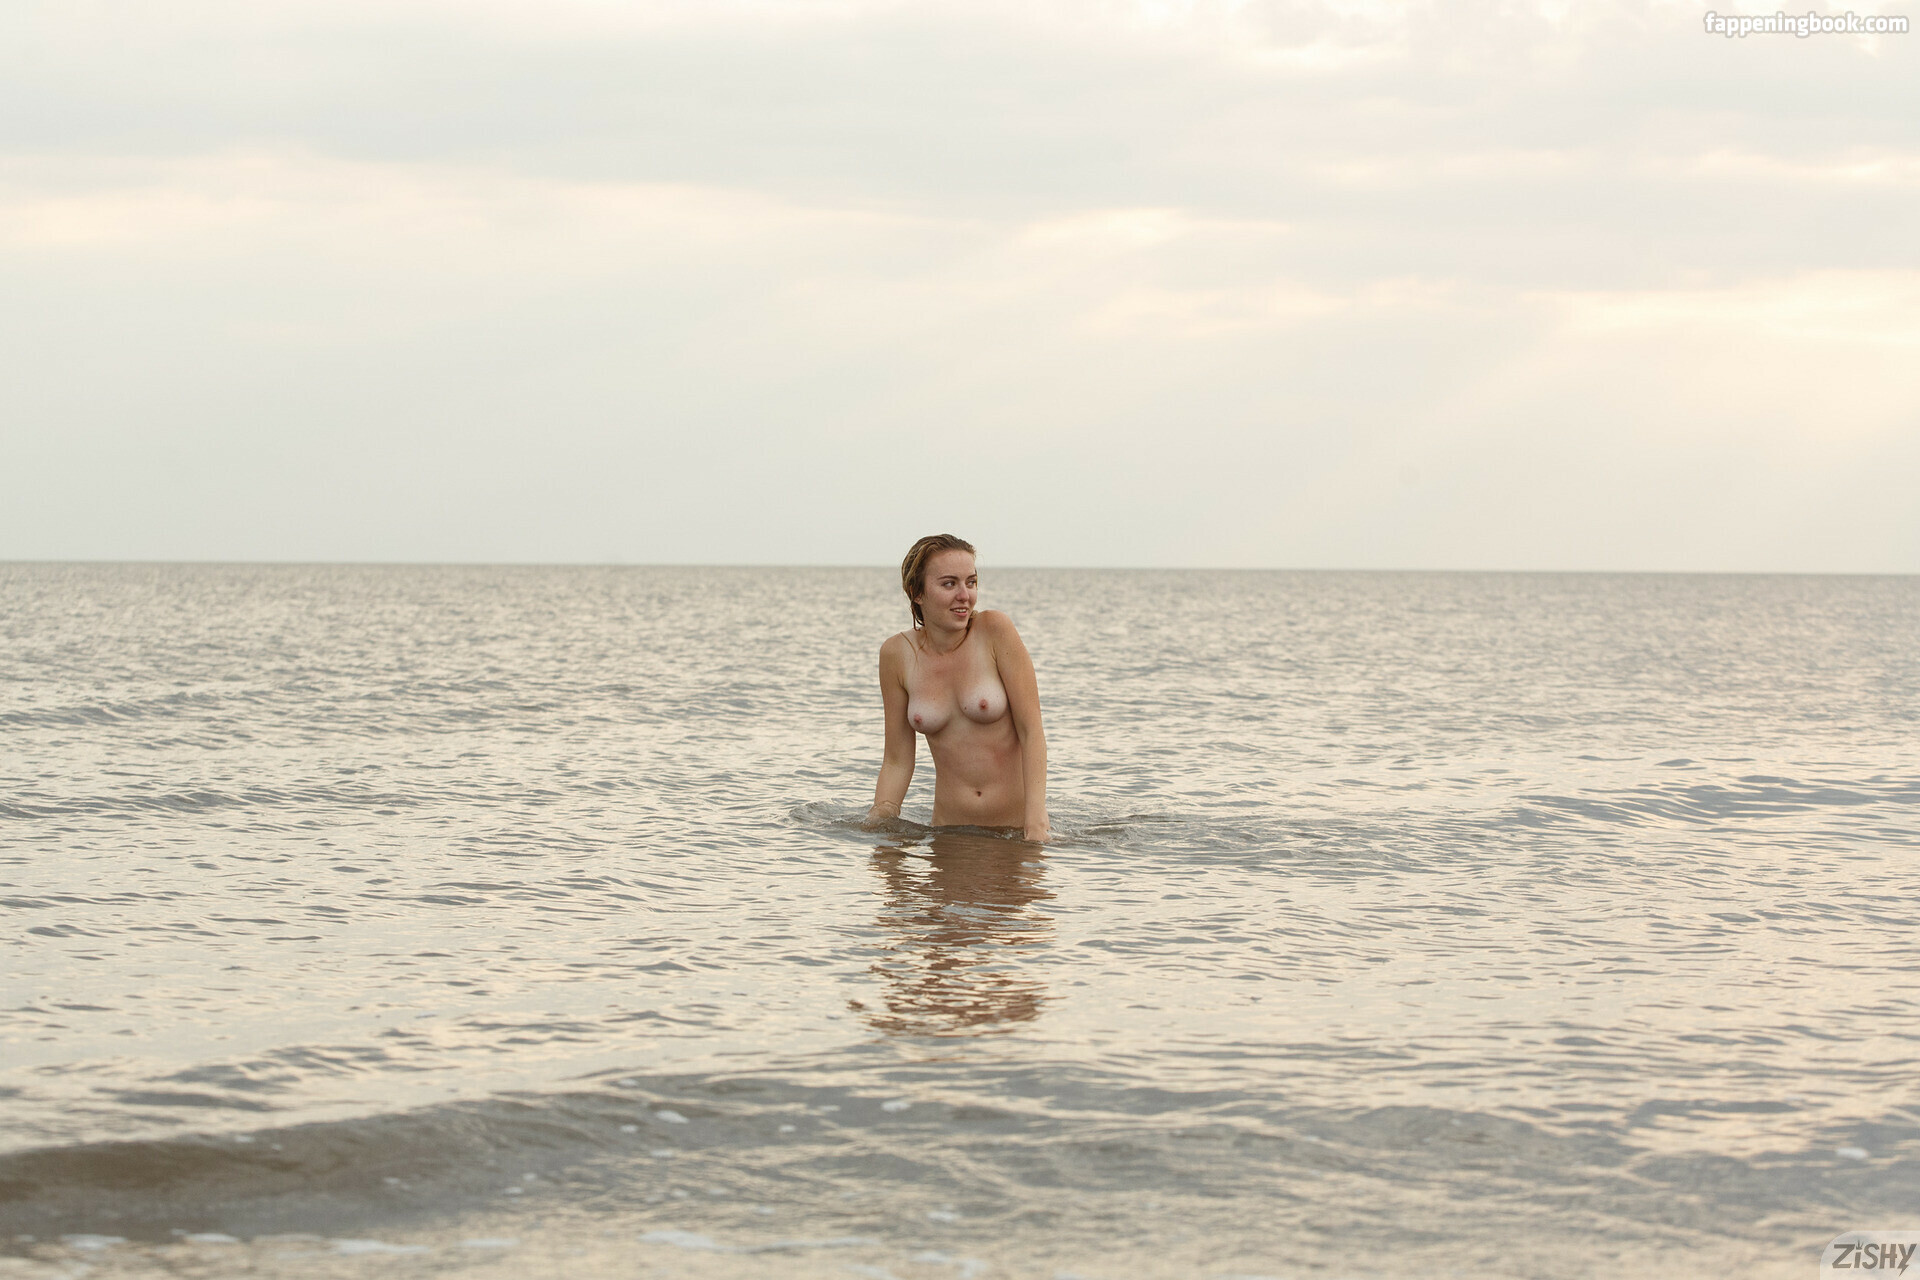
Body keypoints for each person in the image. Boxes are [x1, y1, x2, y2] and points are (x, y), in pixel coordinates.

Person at [864, 534, 1050, 842]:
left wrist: (1036, 824)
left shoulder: (994, 631)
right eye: (949, 584)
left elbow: (1032, 732)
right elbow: (897, 760)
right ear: (917, 592)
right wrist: (879, 825)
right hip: (946, 836)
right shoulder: (896, 654)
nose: (965, 595)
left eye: (971, 582)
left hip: (1014, 835)